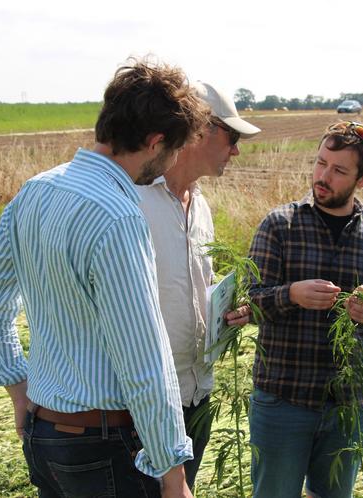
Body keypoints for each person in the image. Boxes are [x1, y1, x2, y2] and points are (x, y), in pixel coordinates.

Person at [0, 57, 208, 498]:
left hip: (45, 436)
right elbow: (144, 360)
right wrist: (174, 474)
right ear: (155, 143)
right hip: (106, 447)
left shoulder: (36, 190)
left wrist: (19, 389)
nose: (170, 161)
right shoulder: (118, 217)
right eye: (173, 150)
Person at [247, 121, 363, 498]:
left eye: (338, 170)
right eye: (321, 163)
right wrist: (292, 294)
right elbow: (249, 303)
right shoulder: (280, 226)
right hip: (283, 400)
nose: (323, 176)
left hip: (347, 406)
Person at [136, 80, 260, 490]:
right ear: (200, 129)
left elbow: (192, 290)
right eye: (233, 135)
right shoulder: (133, 202)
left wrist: (224, 314)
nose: (237, 149)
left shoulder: (200, 204)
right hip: (144, 403)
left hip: (196, 395)